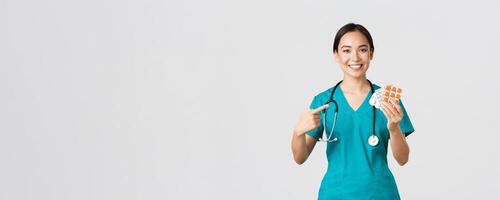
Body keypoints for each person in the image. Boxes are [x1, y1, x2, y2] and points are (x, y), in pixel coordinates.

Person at [291, 23, 415, 200]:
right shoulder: (323, 102)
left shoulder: (387, 99)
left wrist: (394, 128)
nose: (355, 57)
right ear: (336, 55)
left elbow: (403, 159)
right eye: (346, 50)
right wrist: (297, 133)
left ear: (371, 53)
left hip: (380, 194)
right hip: (335, 194)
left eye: (362, 50)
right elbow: (300, 157)